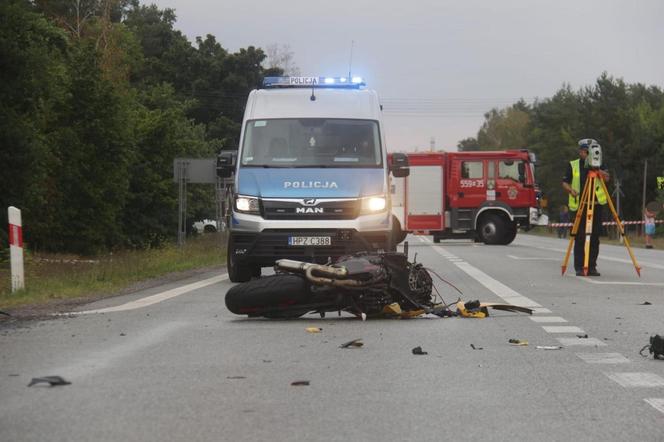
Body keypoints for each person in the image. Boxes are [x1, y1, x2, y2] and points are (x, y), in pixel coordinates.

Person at [562, 139, 610, 276]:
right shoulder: (573, 165)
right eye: (585, 152)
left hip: (596, 205)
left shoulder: (599, 163)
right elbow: (564, 182)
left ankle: (591, 266)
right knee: (580, 236)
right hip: (579, 205)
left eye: (589, 152)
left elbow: (607, 179)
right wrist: (571, 190)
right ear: (580, 151)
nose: (587, 154)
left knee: (594, 237)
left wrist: (597, 170)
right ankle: (579, 266)